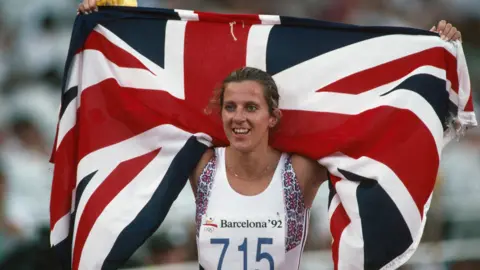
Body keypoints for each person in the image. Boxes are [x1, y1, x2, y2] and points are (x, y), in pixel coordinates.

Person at [77, 1, 463, 269]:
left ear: (273, 116)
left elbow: (374, 124)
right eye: (230, 107)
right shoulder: (202, 164)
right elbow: (138, 104)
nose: (238, 118)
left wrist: (423, 57)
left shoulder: (300, 170)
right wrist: (108, 23)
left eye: (250, 108)